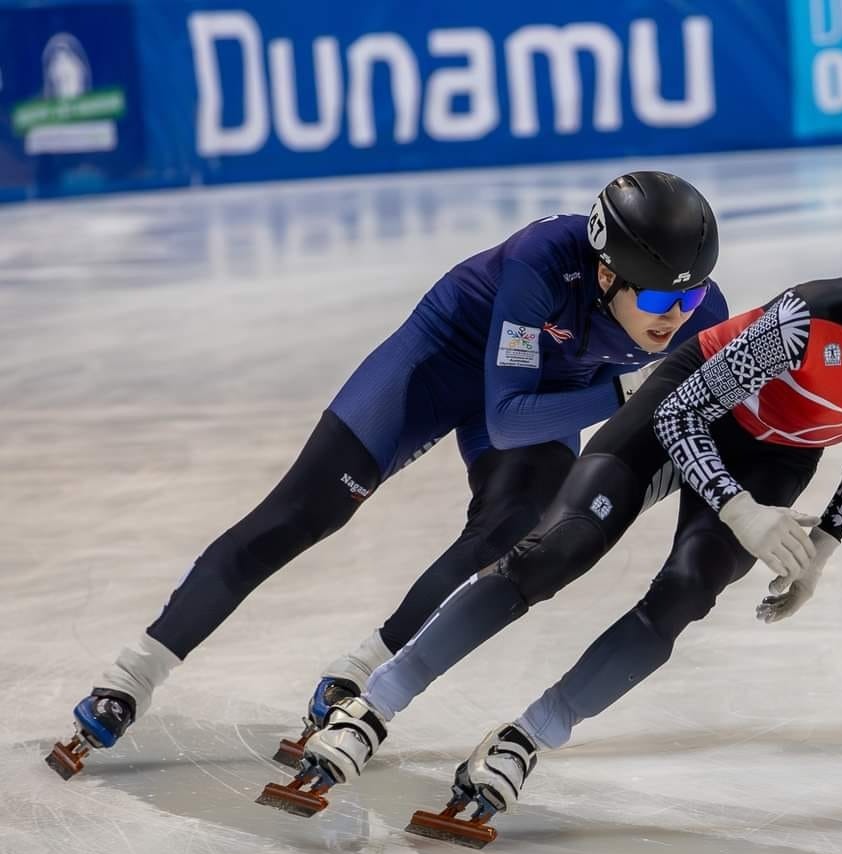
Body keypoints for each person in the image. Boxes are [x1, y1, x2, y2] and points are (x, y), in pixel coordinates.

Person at [256, 201, 842, 843]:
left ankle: (529, 737)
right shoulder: (808, 323)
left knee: (683, 597)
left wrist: (827, 541)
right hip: (685, 408)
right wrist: (741, 512)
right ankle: (373, 706)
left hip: (776, 456)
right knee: (553, 554)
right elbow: (683, 416)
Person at [46, 171, 728, 780]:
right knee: (301, 514)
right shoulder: (542, 262)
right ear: (606, 276)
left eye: (691, 296)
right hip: (441, 364)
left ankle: (358, 673)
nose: (677, 316)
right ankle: (132, 676)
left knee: (515, 527)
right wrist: (626, 393)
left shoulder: (701, 313)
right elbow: (508, 417)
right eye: (658, 299)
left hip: (550, 390)